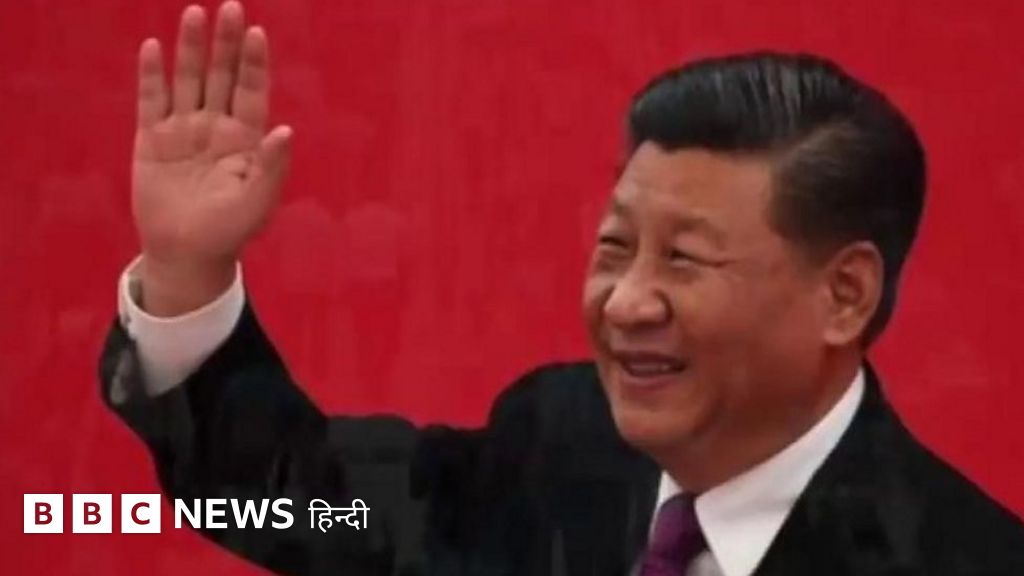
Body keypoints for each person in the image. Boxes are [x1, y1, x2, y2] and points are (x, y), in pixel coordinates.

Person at [99, 2, 1024, 575]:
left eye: (685, 261)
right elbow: (299, 499)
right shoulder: (558, 443)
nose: (625, 303)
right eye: (615, 248)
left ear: (844, 295)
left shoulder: (962, 556)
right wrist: (187, 270)